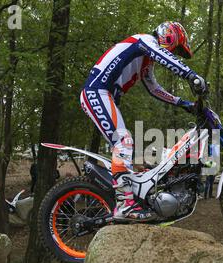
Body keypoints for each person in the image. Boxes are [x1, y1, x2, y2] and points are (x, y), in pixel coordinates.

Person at [80, 21, 207, 220]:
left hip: (106, 95)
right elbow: (163, 56)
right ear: (168, 35)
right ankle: (125, 205)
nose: (173, 52)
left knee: (126, 150)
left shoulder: (146, 62)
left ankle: (128, 198)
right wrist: (191, 75)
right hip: (96, 92)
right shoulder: (144, 40)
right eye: (176, 47)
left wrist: (184, 104)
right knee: (123, 142)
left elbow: (154, 89)